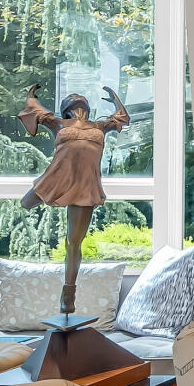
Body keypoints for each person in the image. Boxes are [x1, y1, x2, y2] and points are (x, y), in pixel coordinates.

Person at [16, 88, 132, 318]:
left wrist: (115, 99)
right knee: (26, 203)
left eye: (80, 99)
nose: (77, 99)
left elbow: (122, 118)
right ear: (65, 109)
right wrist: (31, 94)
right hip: (58, 177)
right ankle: (51, 194)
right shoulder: (58, 123)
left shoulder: (99, 126)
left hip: (85, 184)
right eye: (72, 99)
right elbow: (33, 110)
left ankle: (68, 294)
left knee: (74, 241)